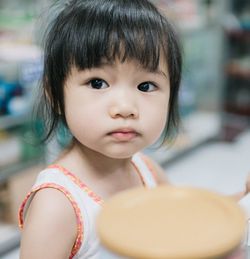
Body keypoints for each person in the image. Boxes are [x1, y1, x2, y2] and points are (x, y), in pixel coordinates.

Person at [18, 0, 249, 258]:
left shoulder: (146, 170)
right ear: (55, 94)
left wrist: (244, 196)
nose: (126, 108)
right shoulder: (57, 204)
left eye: (146, 86)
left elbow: (185, 221)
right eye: (97, 83)